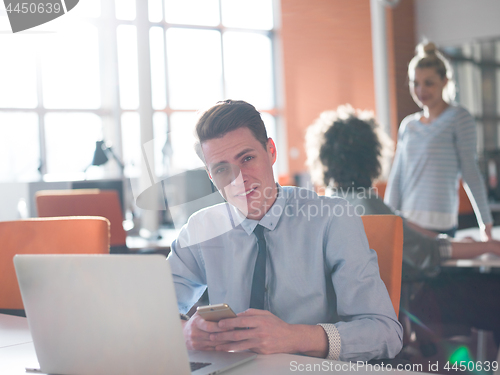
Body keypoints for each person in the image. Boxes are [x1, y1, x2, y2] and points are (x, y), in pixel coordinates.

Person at [167, 100, 403, 362]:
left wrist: (293, 337)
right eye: (222, 169)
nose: (238, 178)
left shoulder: (333, 219)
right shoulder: (200, 229)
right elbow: (151, 311)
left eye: (247, 158)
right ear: (211, 177)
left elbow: (385, 333)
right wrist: (185, 330)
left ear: (271, 151)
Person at [305, 104, 500, 348]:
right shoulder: (368, 205)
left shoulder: (330, 201)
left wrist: (453, 240)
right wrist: (488, 246)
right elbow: (427, 252)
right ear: (371, 156)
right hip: (389, 316)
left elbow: (402, 226)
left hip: (342, 320)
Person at [384, 41, 493, 241]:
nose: (420, 90)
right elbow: (397, 178)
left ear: (445, 81)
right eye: (415, 83)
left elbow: (470, 172)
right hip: (407, 222)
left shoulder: (459, 118)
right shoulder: (408, 125)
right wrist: (386, 222)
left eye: (428, 82)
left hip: (440, 223)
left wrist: (485, 225)